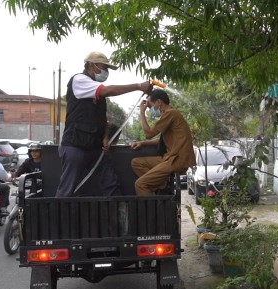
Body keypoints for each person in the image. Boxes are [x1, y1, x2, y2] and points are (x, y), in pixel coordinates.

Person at [55, 51, 155, 197]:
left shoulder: (97, 91)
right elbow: (108, 90)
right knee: (67, 190)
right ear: (91, 65)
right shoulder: (79, 80)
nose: (106, 72)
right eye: (104, 67)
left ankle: (120, 217)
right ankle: (59, 218)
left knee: (110, 184)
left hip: (96, 147)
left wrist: (105, 136)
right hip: (75, 145)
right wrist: (139, 86)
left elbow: (102, 118)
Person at [130, 89, 196, 196]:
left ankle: (152, 212)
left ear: (159, 102)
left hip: (176, 160)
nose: (150, 109)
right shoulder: (169, 115)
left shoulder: (170, 113)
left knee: (140, 184)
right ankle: (161, 184)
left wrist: (142, 112)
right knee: (136, 163)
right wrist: (143, 143)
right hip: (169, 158)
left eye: (150, 106)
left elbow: (148, 134)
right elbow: (161, 141)